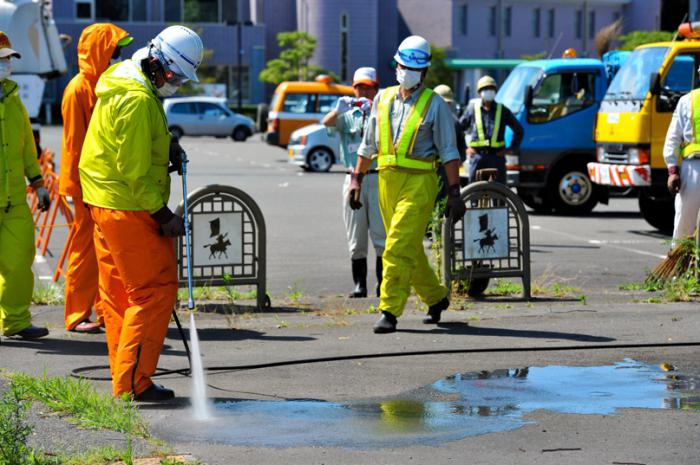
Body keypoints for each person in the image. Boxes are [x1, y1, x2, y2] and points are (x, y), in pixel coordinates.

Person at [79, 25, 203, 400]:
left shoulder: (126, 81)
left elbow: (131, 143)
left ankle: (126, 379)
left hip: (104, 201)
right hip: (128, 205)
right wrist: (163, 215)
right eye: (174, 75)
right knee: (153, 292)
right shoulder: (136, 99)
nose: (176, 83)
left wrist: (166, 145)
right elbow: (132, 168)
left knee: (120, 295)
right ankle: (135, 382)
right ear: (157, 62)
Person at [352, 35, 465, 333]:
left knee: (396, 246)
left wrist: (455, 192)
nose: (406, 72)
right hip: (386, 182)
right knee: (410, 249)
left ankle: (389, 309)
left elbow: (449, 152)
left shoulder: (435, 105)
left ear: (425, 72)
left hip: (420, 184)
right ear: (396, 66)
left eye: (412, 68)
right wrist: (356, 179)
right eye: (402, 66)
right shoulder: (383, 98)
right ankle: (437, 298)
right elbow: (367, 145)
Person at [59, 24, 133, 334]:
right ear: (101, 51)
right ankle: (77, 315)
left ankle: (106, 311)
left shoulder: (102, 84)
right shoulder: (79, 88)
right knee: (85, 251)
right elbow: (75, 144)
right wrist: (77, 189)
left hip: (99, 183)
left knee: (106, 251)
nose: (118, 56)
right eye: (114, 50)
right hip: (85, 185)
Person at [0, 32, 51, 339]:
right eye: (0, 59)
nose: (5, 65)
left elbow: (26, 150)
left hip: (14, 200)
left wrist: (39, 184)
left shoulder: (14, 99)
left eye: (7, 59)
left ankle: (16, 321)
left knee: (19, 264)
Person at [322, 67, 385, 298]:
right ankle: (360, 285)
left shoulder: (383, 114)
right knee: (356, 235)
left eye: (368, 87)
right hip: (353, 180)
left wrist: (376, 110)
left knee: (381, 235)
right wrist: (338, 110)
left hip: (378, 178)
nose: (363, 92)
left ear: (376, 89)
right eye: (359, 87)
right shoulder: (347, 115)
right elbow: (326, 124)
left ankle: (382, 285)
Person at [460, 75, 523, 184]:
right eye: (485, 89)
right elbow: (458, 129)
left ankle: (498, 202)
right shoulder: (472, 109)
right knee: (475, 191)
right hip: (477, 157)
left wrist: (510, 149)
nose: (488, 91)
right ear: (480, 92)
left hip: (497, 158)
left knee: (499, 193)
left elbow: (519, 130)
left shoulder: (502, 110)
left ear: (495, 91)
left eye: (491, 89)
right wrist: (465, 148)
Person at [663, 75, 700, 245]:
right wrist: (672, 170)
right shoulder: (687, 101)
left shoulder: (688, 100)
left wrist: (673, 170)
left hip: (693, 170)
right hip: (693, 168)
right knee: (684, 222)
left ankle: (682, 266)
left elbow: (672, 138)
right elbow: (673, 138)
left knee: (684, 222)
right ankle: (679, 266)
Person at [433, 84, 466, 200]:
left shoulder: (455, 122)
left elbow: (462, 147)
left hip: (447, 171)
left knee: (445, 202)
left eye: (447, 103)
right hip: (431, 169)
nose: (444, 106)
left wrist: (457, 162)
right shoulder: (428, 120)